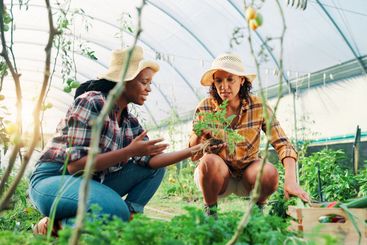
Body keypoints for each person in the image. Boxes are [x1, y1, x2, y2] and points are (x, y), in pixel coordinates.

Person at [30, 45, 201, 235]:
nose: (149, 89)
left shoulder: (128, 121)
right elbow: (75, 166)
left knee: (155, 170)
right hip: (55, 180)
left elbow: (152, 161)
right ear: (123, 81)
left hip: (91, 182)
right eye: (145, 82)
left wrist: (197, 149)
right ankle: (53, 228)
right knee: (116, 209)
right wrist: (130, 151)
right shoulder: (92, 101)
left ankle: (125, 222)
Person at [189, 52, 309, 217]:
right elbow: (194, 155)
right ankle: (211, 212)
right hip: (217, 177)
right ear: (213, 83)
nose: (224, 86)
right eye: (219, 80)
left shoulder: (258, 106)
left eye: (230, 79)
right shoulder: (205, 108)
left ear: (242, 80)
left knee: (269, 173)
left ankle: (257, 211)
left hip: (248, 174)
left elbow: (283, 144)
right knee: (208, 161)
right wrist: (198, 134)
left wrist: (291, 180)